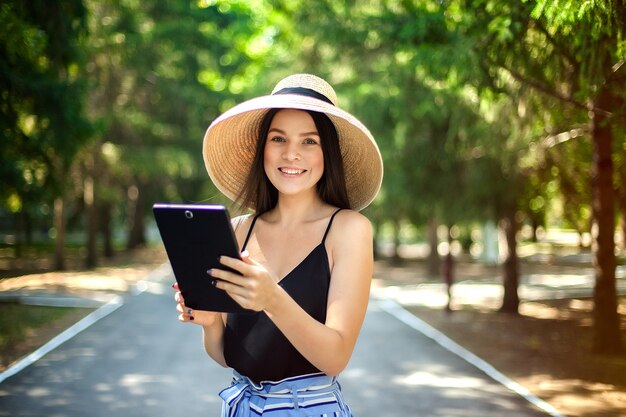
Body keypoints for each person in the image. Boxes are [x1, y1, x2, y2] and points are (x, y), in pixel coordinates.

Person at [172, 73, 383, 417]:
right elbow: (228, 356)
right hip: (240, 407)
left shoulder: (348, 230)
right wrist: (210, 323)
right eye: (278, 138)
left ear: (327, 152)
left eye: (309, 141)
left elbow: (335, 356)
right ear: (263, 148)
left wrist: (272, 299)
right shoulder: (239, 229)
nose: (291, 154)